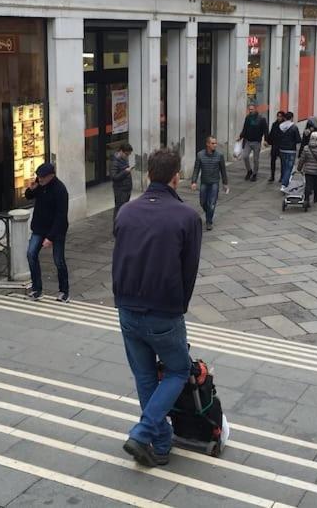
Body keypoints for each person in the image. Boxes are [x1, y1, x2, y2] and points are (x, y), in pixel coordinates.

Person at [112, 149, 203, 467]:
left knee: (145, 375)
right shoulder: (188, 217)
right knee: (178, 370)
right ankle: (142, 433)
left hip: (126, 307)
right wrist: (179, 306)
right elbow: (188, 269)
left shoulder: (125, 211)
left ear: (148, 175)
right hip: (163, 310)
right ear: (177, 177)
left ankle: (161, 443)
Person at [25, 163, 70, 302]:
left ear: (51, 176)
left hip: (56, 230)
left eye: (42, 177)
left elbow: (61, 216)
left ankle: (64, 291)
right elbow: (29, 197)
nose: (40, 179)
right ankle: (37, 289)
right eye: (38, 176)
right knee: (31, 254)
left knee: (58, 260)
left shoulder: (60, 190)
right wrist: (30, 190)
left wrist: (50, 237)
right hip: (39, 227)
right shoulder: (39, 184)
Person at [190, 136, 229, 231]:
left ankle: (209, 221)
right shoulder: (200, 155)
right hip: (204, 182)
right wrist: (194, 181)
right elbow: (196, 169)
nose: (215, 145)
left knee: (212, 203)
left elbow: (223, 170)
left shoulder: (219, 155)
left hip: (214, 183)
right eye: (212, 143)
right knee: (203, 202)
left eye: (215, 143)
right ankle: (209, 213)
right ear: (207, 144)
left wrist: (225, 183)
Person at [297, 131, 317, 205]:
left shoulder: (306, 148)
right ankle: (315, 197)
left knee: (308, 185)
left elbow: (302, 159)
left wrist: (299, 168)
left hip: (308, 170)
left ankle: (306, 199)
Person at [239, 104, 268, 182]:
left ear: (255, 109)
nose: (250, 111)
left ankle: (255, 174)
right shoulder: (248, 118)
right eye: (249, 109)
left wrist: (265, 140)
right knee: (245, 156)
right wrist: (241, 136)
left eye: (252, 109)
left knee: (255, 159)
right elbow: (244, 128)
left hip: (256, 142)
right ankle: (249, 171)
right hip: (248, 141)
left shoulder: (261, 119)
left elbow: (265, 130)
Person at [110, 143, 134, 232]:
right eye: (127, 154)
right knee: (119, 209)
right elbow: (114, 177)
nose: (127, 156)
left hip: (126, 188)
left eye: (129, 155)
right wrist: (126, 171)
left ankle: (123, 226)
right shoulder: (115, 161)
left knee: (124, 208)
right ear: (121, 151)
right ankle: (116, 229)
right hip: (120, 190)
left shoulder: (124, 159)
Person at [276, 112, 301, 190]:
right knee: (289, 167)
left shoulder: (280, 126)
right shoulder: (294, 127)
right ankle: (284, 184)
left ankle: (285, 180)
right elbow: (298, 139)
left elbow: (278, 137)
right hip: (291, 150)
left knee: (284, 166)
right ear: (292, 118)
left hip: (282, 149)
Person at [266, 111, 285, 182]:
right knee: (272, 161)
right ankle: (272, 175)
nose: (279, 117)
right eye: (278, 116)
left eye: (280, 116)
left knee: (282, 162)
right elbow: (271, 134)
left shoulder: (285, 125)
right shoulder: (274, 124)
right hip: (275, 145)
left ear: (283, 117)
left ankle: (282, 176)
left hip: (282, 146)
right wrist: (268, 141)